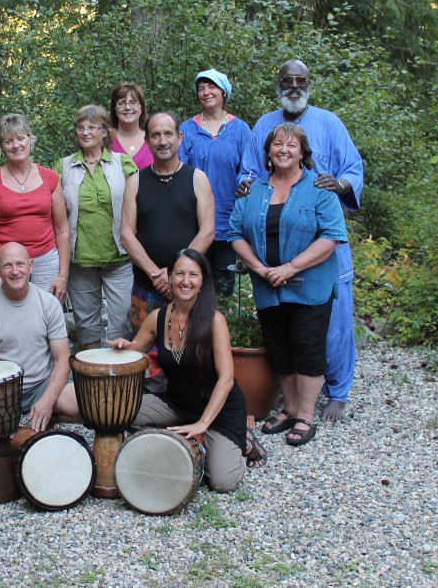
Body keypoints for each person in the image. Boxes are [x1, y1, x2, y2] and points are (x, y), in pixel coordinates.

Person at [240, 59, 364, 422]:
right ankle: (292, 394)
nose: (294, 85)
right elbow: (249, 170)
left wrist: (339, 184)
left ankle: (337, 391)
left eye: (300, 80)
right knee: (286, 320)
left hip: (323, 246)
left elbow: (353, 170)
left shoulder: (330, 123)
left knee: (335, 320)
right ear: (277, 84)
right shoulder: (264, 124)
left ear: (309, 84)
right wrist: (245, 185)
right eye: (287, 80)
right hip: (277, 245)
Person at [230, 123, 348, 447]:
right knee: (279, 347)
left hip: (310, 285)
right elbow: (235, 233)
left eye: (291, 145)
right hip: (268, 284)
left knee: (307, 348)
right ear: (268, 152)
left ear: (302, 153)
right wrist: (260, 268)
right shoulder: (252, 190)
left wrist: (290, 267)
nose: (283, 150)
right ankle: (290, 408)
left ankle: (305, 416)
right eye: (277, 145)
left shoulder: (319, 188)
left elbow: (333, 235)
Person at [109, 249, 266, 492]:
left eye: (193, 275)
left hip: (219, 410)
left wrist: (203, 423)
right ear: (169, 278)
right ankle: (188, 436)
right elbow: (133, 354)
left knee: (222, 482)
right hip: (177, 403)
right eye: (179, 274)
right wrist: (122, 347)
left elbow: (226, 379)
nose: (186, 281)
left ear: (203, 281)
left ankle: (244, 442)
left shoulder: (215, 321)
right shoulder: (157, 318)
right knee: (119, 414)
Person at [120, 111, 215, 391]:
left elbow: (208, 230)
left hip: (189, 284)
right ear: (147, 141)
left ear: (180, 137)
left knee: (191, 345)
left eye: (168, 134)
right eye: (156, 135)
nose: (163, 141)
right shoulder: (135, 182)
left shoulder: (197, 178)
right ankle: (144, 404)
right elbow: (127, 233)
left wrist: (175, 274)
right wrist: (156, 273)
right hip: (146, 283)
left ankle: (192, 401)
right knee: (142, 347)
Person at [0, 243, 80, 433]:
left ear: (31, 266)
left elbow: (63, 359)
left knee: (85, 403)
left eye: (20, 264)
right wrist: (2, 414)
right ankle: (10, 431)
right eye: (7, 265)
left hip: (41, 384)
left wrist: (47, 401)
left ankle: (44, 421)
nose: (15, 271)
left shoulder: (48, 303)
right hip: (1, 389)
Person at [54, 105, 138, 350]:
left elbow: (140, 203)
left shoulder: (123, 163)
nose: (86, 132)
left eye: (92, 127)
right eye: (81, 127)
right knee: (86, 323)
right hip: (80, 258)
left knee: (122, 319)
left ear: (105, 132)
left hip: (119, 256)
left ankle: (118, 374)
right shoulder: (64, 166)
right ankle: (94, 374)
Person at [177, 69, 252, 295]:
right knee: (192, 280)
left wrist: (246, 184)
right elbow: (179, 169)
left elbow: (249, 169)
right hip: (193, 220)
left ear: (223, 92)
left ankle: (222, 329)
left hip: (227, 219)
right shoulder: (187, 129)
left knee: (223, 286)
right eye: (201, 88)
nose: (206, 92)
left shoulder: (240, 129)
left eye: (212, 87)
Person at [0, 114, 69, 300]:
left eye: (21, 138)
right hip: (8, 263)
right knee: (10, 317)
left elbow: (62, 229)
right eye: (9, 141)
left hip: (46, 261)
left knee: (47, 316)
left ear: (30, 139)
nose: (16, 145)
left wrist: (63, 275)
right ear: (2, 147)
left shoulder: (50, 178)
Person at [109, 83, 153, 170]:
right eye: (121, 103)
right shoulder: (105, 140)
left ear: (141, 108)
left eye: (133, 102)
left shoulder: (153, 138)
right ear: (115, 109)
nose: (127, 107)